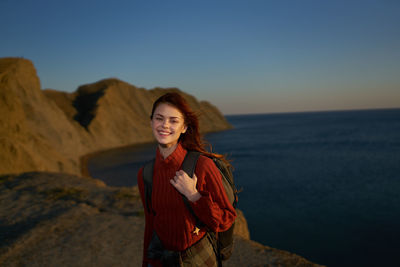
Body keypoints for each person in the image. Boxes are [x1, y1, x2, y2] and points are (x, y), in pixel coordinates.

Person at [137, 92, 237, 267]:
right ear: (151, 121)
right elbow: (151, 223)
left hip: (198, 260)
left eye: (173, 120)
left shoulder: (202, 166)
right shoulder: (145, 173)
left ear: (184, 127)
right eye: (159, 118)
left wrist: (194, 195)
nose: (164, 125)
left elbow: (226, 218)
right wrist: (146, 262)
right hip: (161, 260)